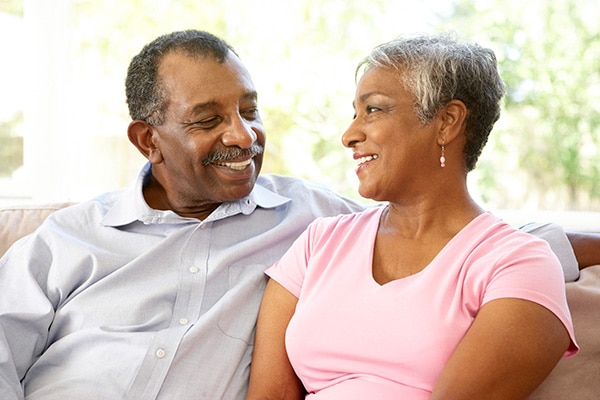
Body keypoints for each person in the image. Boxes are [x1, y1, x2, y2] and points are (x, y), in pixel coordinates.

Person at [0, 29, 592, 400]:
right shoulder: (68, 240)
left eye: (250, 111)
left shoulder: (309, 219)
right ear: (147, 140)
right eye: (209, 119)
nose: (243, 135)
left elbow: (464, 238)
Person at [246, 32, 580, 400]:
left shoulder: (518, 264)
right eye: (354, 113)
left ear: (447, 122)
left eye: (373, 109)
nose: (349, 135)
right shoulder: (319, 242)